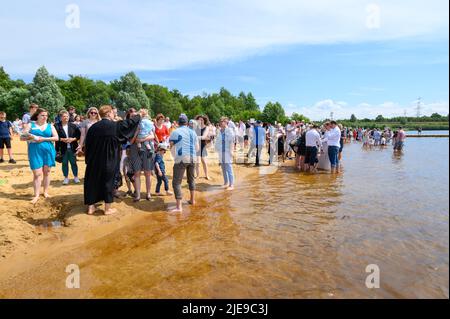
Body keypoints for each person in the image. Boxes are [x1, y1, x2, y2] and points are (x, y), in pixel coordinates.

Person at [84, 105, 140, 215]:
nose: (114, 114)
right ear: (109, 113)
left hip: (94, 160)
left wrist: (88, 160)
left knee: (92, 182)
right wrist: (139, 115)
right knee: (108, 182)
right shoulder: (115, 126)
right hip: (109, 159)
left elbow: (88, 145)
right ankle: (107, 208)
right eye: (113, 113)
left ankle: (91, 207)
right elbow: (129, 124)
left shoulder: (93, 128)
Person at [21, 108, 58, 204]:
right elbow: (22, 137)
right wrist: (31, 138)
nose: (45, 117)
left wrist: (43, 139)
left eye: (46, 115)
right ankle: (36, 195)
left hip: (48, 150)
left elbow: (56, 138)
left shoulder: (50, 126)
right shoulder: (30, 125)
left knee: (47, 172)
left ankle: (45, 192)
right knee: (37, 174)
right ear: (37, 115)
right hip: (35, 151)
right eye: (42, 115)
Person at [168, 114, 199, 213]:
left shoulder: (175, 132)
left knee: (176, 182)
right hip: (193, 157)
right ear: (186, 122)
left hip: (181, 158)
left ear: (178, 122)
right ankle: (192, 200)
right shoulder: (193, 132)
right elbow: (197, 148)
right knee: (191, 179)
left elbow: (171, 146)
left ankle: (179, 207)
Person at [55, 110, 81, 185]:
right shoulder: (56, 126)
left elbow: (78, 136)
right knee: (64, 163)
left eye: (67, 116)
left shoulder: (73, 125)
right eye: (64, 116)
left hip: (72, 147)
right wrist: (62, 139)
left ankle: (76, 177)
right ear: (60, 117)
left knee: (73, 162)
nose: (66, 117)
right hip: (62, 148)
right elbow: (54, 136)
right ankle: (66, 178)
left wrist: (73, 139)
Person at [215, 117, 235, 190]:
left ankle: (231, 185)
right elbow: (217, 141)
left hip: (227, 151)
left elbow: (231, 141)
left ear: (226, 122)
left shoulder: (229, 130)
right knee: (223, 168)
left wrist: (231, 151)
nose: (220, 123)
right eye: (220, 121)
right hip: (221, 151)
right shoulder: (219, 131)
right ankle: (226, 182)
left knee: (229, 168)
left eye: (221, 121)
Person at [194, 115, 211, 180]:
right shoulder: (196, 127)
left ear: (204, 120)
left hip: (203, 145)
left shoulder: (206, 128)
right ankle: (197, 175)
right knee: (197, 161)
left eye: (202, 120)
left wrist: (195, 137)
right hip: (196, 145)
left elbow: (204, 137)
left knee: (204, 161)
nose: (200, 121)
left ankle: (207, 175)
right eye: (199, 120)